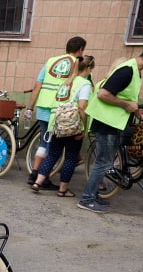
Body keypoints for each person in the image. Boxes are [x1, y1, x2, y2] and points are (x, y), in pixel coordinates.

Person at [78, 41, 143, 213]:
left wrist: (137, 111)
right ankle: (87, 199)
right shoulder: (127, 70)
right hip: (106, 123)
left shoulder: (135, 71)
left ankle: (91, 196)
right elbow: (103, 94)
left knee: (104, 162)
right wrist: (126, 105)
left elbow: (124, 98)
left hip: (113, 123)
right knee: (103, 162)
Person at [25, 36, 87, 188]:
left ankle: (35, 173)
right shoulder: (76, 63)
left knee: (44, 142)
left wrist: (30, 107)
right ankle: (40, 177)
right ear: (80, 50)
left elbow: (37, 85)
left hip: (42, 106)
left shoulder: (51, 61)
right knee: (54, 148)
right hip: (60, 111)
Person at [31, 56, 96, 198]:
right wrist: (84, 127)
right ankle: (62, 189)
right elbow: (82, 106)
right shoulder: (84, 84)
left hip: (56, 124)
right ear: (89, 69)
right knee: (71, 157)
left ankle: (38, 182)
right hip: (73, 126)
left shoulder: (65, 82)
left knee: (53, 154)